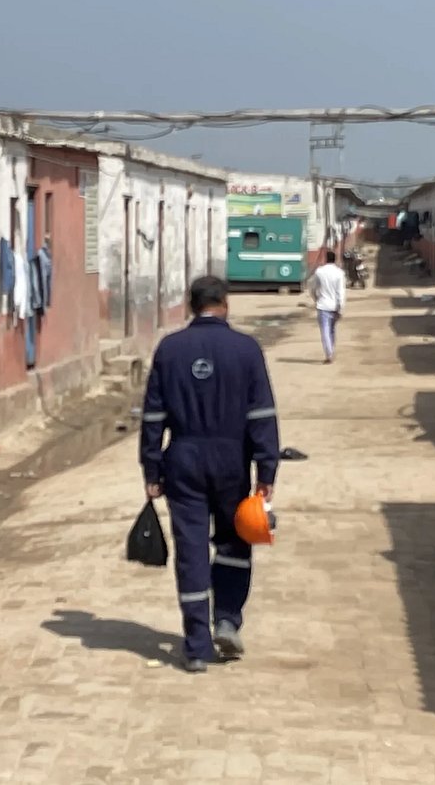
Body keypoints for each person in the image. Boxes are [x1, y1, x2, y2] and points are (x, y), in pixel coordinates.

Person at [140, 276, 280, 673]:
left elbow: (153, 417)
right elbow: (261, 415)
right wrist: (266, 468)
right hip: (232, 461)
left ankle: (198, 646)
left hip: (182, 460)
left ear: (190, 305)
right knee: (235, 541)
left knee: (191, 551)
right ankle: (227, 619)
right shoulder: (246, 349)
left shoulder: (169, 349)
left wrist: (151, 467)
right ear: (225, 304)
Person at [310, 250, 346, 363]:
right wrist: (341, 308)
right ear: (335, 259)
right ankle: (331, 350)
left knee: (325, 330)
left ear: (326, 259)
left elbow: (313, 288)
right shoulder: (339, 273)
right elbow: (341, 292)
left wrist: (316, 299)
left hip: (323, 305)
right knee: (332, 329)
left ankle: (329, 354)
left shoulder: (319, 272)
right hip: (334, 306)